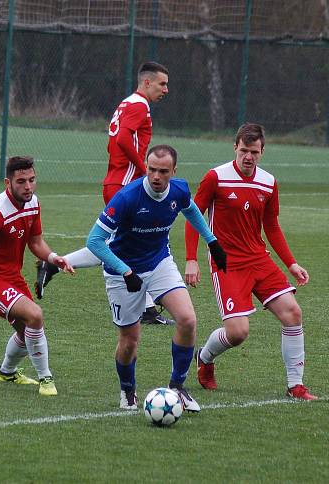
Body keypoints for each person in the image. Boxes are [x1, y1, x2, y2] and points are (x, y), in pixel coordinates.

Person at [84, 145, 227, 411]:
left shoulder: (179, 190)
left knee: (187, 319)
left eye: (163, 171)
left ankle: (178, 387)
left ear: (174, 171)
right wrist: (125, 271)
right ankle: (128, 391)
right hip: (121, 271)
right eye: (151, 170)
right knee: (129, 340)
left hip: (160, 261)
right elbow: (94, 241)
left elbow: (192, 210)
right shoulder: (127, 197)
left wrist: (212, 241)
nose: (156, 176)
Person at [184, 123, 317, 400]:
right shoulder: (216, 177)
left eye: (254, 152)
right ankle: (205, 357)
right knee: (238, 332)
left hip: (258, 258)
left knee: (293, 313)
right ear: (235, 147)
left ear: (262, 151)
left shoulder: (268, 182)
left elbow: (272, 226)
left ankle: (296, 386)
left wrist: (291, 263)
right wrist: (191, 259)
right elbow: (193, 216)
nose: (248, 157)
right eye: (244, 150)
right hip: (227, 262)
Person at [36, 61, 174, 325]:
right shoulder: (139, 105)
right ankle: (145, 308)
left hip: (117, 180)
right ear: (146, 83)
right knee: (123, 244)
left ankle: (53, 264)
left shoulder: (127, 103)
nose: (165, 89)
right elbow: (122, 138)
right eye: (162, 84)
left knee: (122, 244)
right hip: (124, 184)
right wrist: (144, 168)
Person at [0, 156, 73, 397]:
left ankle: (6, 372)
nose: (28, 187)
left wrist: (53, 258)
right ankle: (46, 378)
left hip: (12, 277)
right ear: (8, 182)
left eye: (32, 180)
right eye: (21, 181)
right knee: (35, 315)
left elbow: (35, 242)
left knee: (27, 331)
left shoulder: (33, 202)